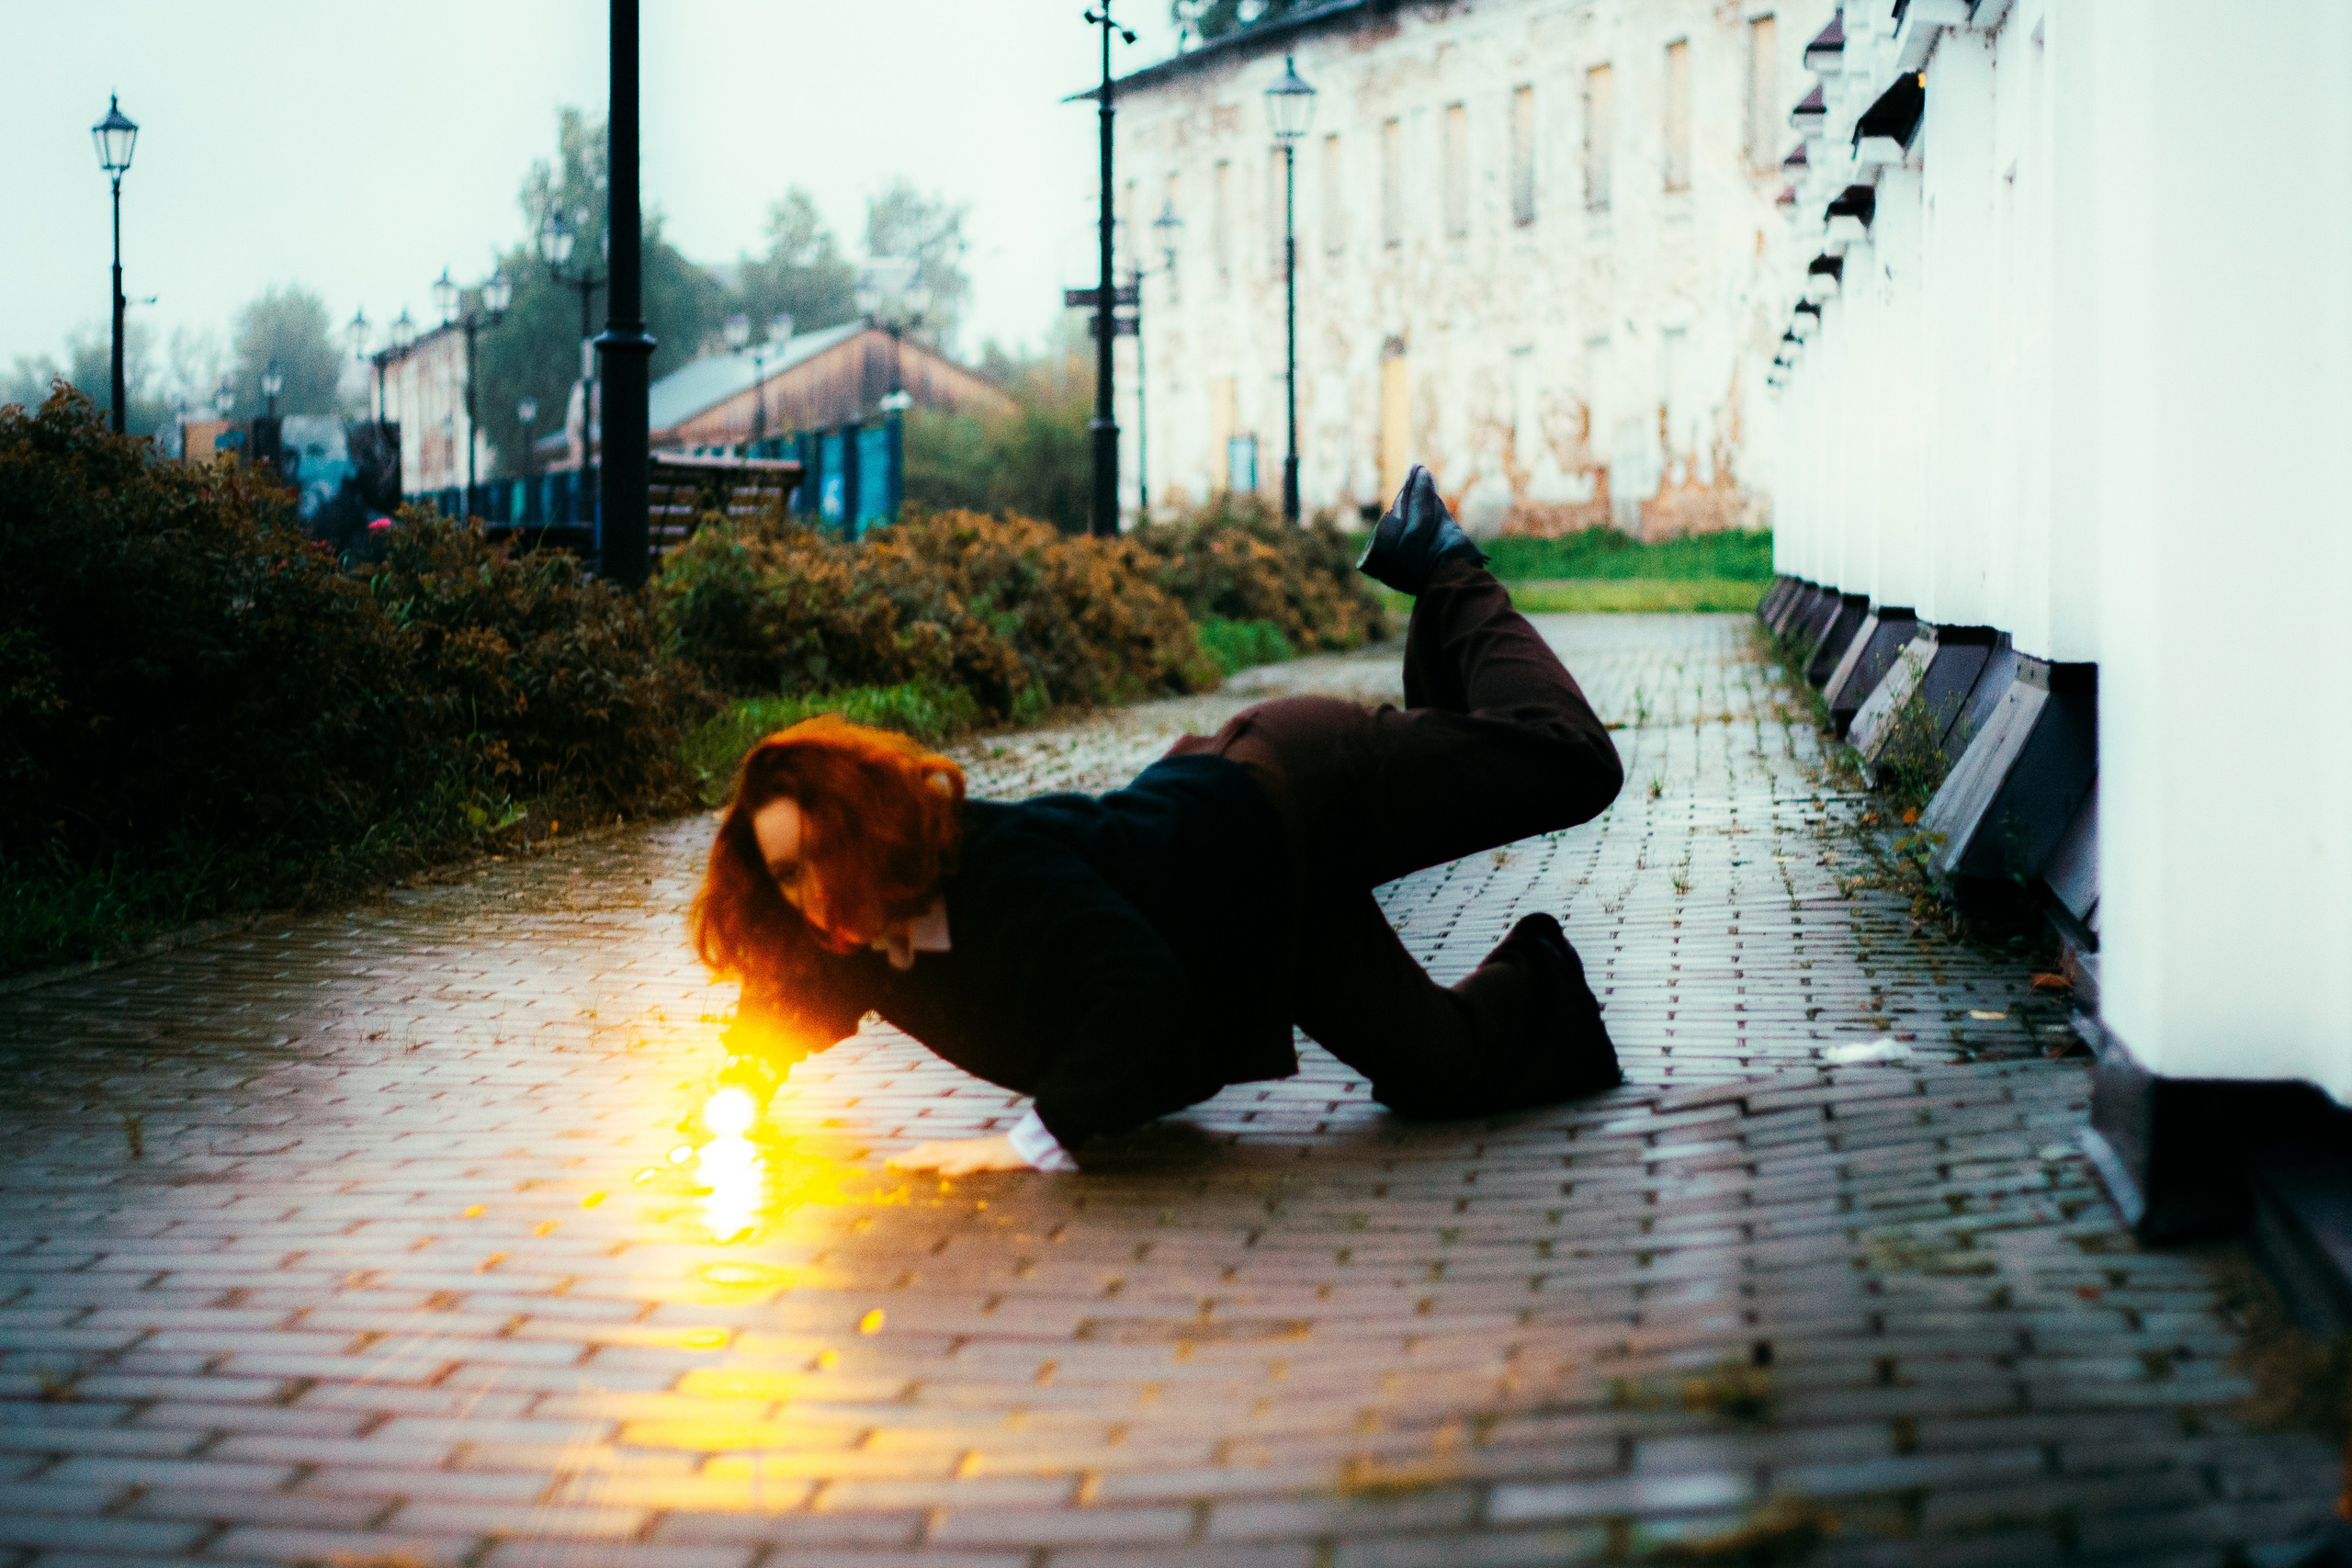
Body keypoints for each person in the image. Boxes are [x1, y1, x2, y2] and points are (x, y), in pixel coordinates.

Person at [690, 467, 1626, 1174]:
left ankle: (1448, 567)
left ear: (868, 832)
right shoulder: (849, 937)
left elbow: (1140, 992)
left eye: (818, 856)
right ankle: (1542, 968)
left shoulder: (996, 873)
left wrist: (1028, 1143)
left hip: (1295, 785)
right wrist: (738, 1091)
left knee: (1572, 765)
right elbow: (789, 1007)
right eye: (783, 876)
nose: (809, 891)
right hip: (1261, 902)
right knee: (1435, 1074)